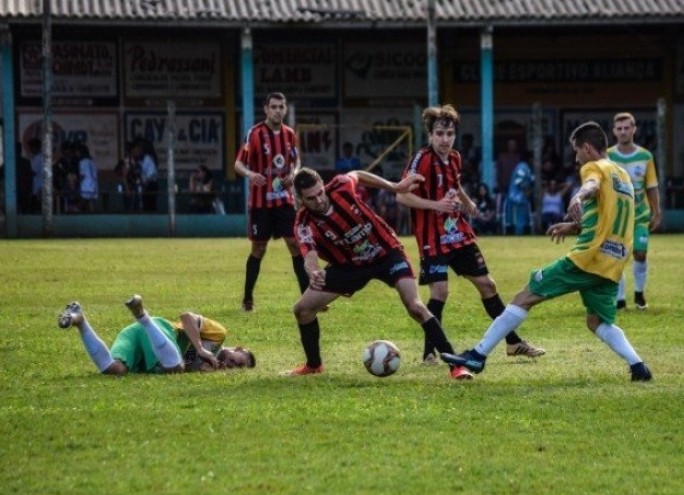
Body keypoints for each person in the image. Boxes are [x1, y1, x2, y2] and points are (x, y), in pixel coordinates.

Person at [442, 121, 652, 383]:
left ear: (587, 148)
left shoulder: (594, 167)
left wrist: (577, 197)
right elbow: (609, 218)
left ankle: (477, 355)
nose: (576, 159)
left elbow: (591, 185)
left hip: (588, 258)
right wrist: (575, 226)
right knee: (596, 321)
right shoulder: (623, 176)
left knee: (525, 295)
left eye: (577, 152)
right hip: (614, 260)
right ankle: (638, 367)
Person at [283, 167, 474, 381]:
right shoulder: (303, 223)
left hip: (386, 253)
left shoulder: (340, 186)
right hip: (349, 266)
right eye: (311, 198)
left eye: (320, 193)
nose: (318, 200)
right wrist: (313, 271)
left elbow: (359, 174)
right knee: (302, 310)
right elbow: (308, 255)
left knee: (415, 307)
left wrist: (395, 186)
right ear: (300, 199)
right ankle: (314, 365)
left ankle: (455, 365)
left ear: (323, 185)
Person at [397, 104, 544, 364]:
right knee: (440, 291)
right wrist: (436, 205)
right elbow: (402, 195)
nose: (445, 139)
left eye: (449, 133)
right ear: (430, 135)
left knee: (488, 285)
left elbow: (454, 184)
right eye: (440, 133)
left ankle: (513, 343)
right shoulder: (422, 159)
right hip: (432, 237)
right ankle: (430, 352)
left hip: (458, 233)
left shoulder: (454, 157)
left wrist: (467, 202)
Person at [58, 294, 255, 375]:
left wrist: (199, 369)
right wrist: (201, 348)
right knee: (175, 367)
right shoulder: (218, 335)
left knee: (114, 370)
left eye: (236, 368)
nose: (231, 365)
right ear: (237, 348)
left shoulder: (208, 368)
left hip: (138, 338)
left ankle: (80, 321)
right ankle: (142, 315)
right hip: (160, 328)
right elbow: (186, 317)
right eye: (237, 361)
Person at [235, 91, 306, 312]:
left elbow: (296, 160)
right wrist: (250, 174)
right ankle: (248, 298)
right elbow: (238, 164)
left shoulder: (289, 134)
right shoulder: (255, 134)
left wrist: (293, 173)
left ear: (285, 109)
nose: (277, 110)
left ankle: (309, 297)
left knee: (295, 245)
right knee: (259, 248)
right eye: (273, 107)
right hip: (260, 204)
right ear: (266, 109)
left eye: (281, 107)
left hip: (284, 201)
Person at [608, 112, 661, 310]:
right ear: (614, 131)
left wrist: (657, 211)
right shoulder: (608, 156)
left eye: (626, 127)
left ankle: (639, 294)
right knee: (618, 256)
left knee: (640, 253)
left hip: (640, 215)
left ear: (634, 129)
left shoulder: (646, 156)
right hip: (617, 217)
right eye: (619, 128)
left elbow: (652, 186)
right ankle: (620, 299)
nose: (623, 132)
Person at [506, 150, 534, 235]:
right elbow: (519, 181)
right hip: (517, 198)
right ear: (529, 159)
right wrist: (527, 191)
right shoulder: (522, 167)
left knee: (522, 220)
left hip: (521, 198)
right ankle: (517, 236)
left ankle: (519, 235)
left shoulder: (527, 167)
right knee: (518, 220)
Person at [77, 142, 99, 213]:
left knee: (83, 201)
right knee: (90, 202)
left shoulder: (82, 162)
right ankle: (91, 215)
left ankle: (78, 213)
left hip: (85, 184)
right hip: (93, 184)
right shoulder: (92, 161)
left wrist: (77, 182)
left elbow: (82, 175)